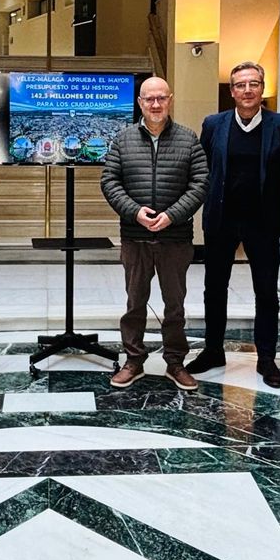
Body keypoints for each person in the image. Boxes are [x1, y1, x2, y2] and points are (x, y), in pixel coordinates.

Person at [187, 62, 280, 388]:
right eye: (240, 85)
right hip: (221, 219)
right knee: (214, 289)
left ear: (262, 88)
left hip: (263, 221)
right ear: (232, 91)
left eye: (253, 84)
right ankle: (213, 350)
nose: (247, 90)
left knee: (266, 292)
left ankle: (266, 357)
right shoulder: (214, 124)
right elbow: (203, 170)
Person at [101, 76, 209, 391]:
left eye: (161, 98)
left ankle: (175, 362)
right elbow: (110, 181)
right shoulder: (123, 140)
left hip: (175, 239)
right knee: (135, 303)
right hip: (135, 236)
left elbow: (200, 183)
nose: (156, 104)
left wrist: (172, 215)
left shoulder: (189, 139)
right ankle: (133, 360)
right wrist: (135, 211)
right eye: (149, 99)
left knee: (174, 305)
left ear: (170, 100)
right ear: (140, 102)